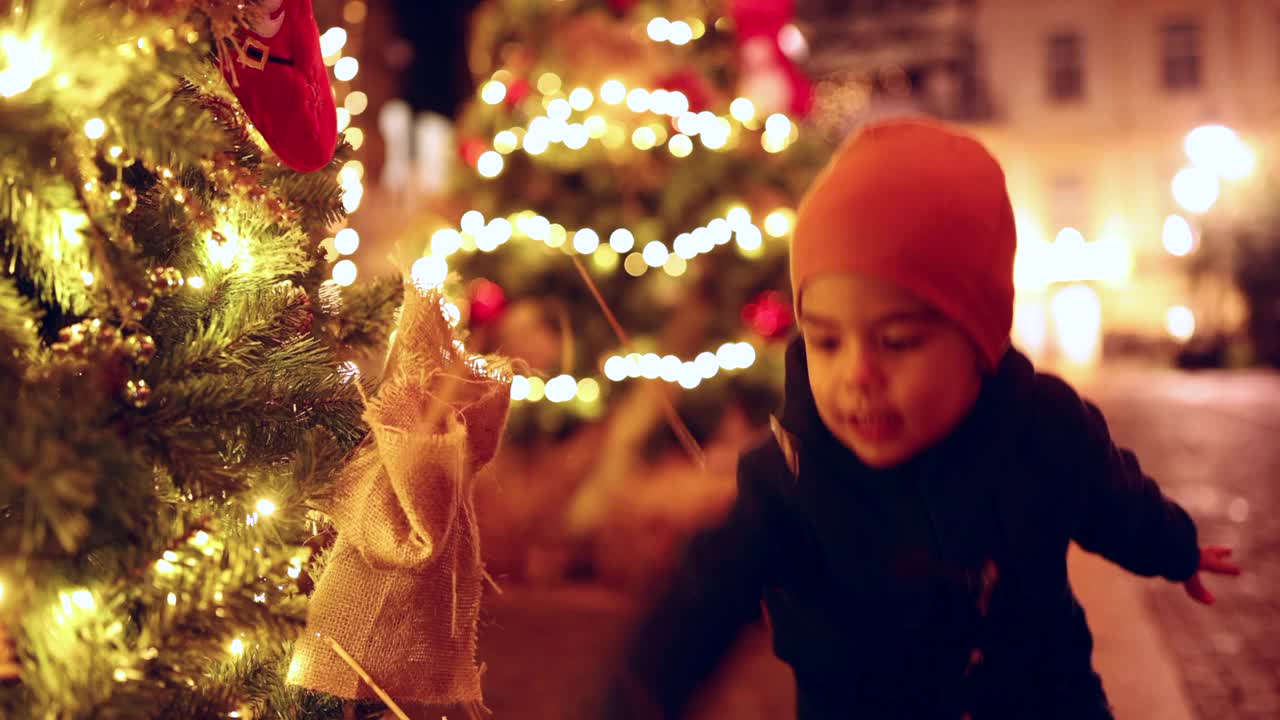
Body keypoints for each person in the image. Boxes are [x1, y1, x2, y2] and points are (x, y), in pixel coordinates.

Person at [592, 117, 1241, 719]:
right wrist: (635, 697)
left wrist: (1175, 546)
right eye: (825, 341)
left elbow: (1114, 498)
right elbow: (697, 606)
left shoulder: (1045, 428)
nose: (858, 375)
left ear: (979, 340)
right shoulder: (786, 481)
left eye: (896, 341)